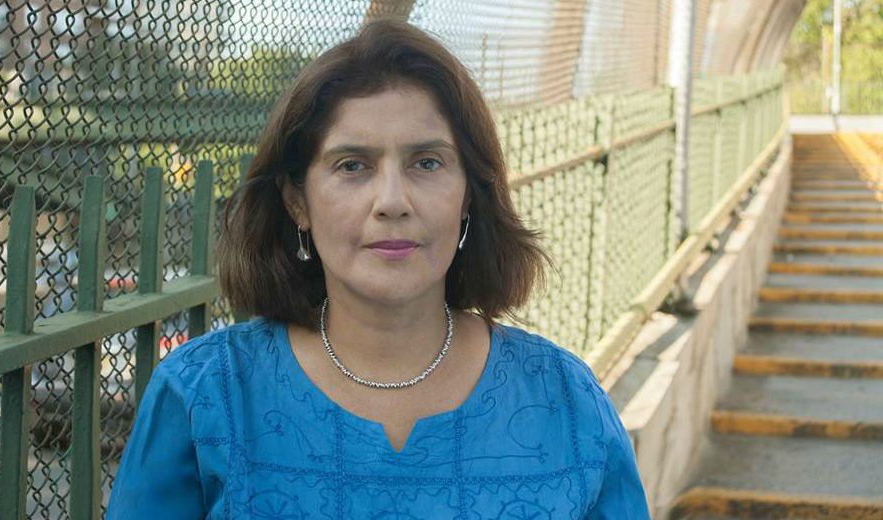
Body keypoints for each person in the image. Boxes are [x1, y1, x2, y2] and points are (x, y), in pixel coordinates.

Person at [107, 19, 650, 519]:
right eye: (353, 166)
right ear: (297, 201)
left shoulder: (566, 401)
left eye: (427, 162)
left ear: (468, 195)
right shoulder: (207, 396)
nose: (392, 201)